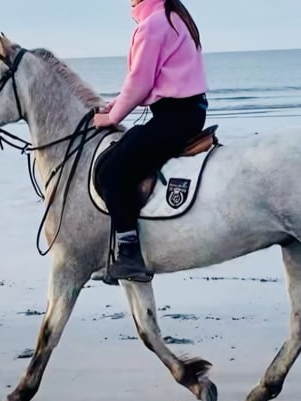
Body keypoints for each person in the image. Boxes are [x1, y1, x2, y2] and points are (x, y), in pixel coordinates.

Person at [93, 0, 208, 283]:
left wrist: (112, 117)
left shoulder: (153, 25)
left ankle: (130, 254)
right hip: (188, 113)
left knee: (110, 171)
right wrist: (115, 104)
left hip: (173, 118)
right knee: (126, 148)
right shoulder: (174, 17)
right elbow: (147, 81)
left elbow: (140, 82)